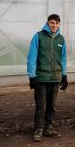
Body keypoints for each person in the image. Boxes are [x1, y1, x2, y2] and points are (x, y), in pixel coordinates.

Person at [27, 14, 69, 142]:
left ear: (59, 24)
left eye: (57, 23)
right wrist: (32, 76)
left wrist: (64, 75)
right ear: (47, 23)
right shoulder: (38, 36)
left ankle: (48, 128)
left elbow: (63, 59)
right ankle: (38, 130)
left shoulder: (61, 39)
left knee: (52, 105)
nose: (54, 25)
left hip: (55, 79)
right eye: (52, 23)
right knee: (40, 105)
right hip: (41, 78)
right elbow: (32, 57)